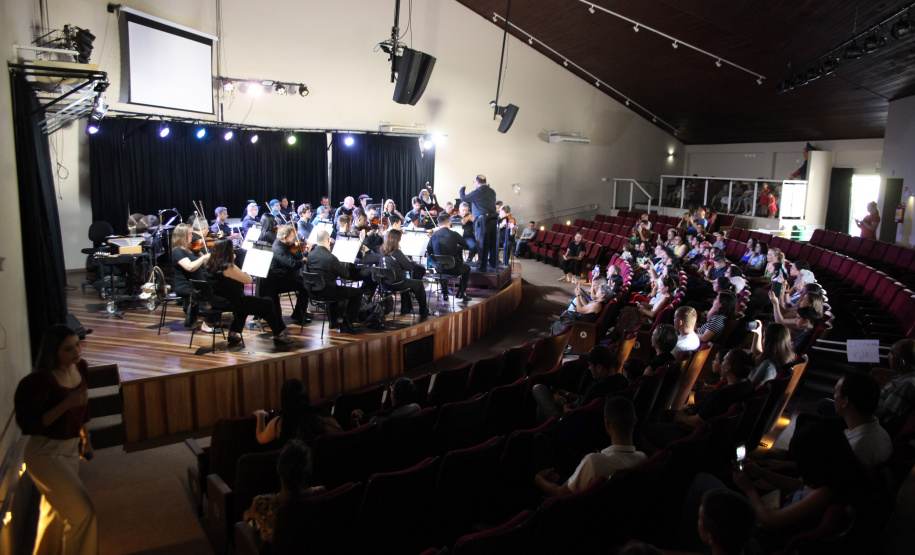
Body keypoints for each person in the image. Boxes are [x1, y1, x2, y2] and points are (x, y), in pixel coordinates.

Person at [14, 324, 98, 555]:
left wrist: (86, 439)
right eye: (68, 349)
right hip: (44, 452)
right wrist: (66, 404)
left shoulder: (80, 367)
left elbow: (82, 409)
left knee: (56, 513)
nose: (76, 351)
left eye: (77, 345)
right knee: (83, 513)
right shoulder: (40, 381)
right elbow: (31, 424)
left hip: (70, 449)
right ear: (54, 352)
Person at [641, 349, 755, 450]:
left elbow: (697, 422)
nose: (721, 363)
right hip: (716, 434)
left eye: (724, 360)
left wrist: (680, 416)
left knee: (647, 428)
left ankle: (659, 456)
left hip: (696, 436)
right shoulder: (748, 385)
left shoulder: (723, 394)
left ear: (728, 367)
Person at [534, 397, 646, 496]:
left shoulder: (593, 461)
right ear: (635, 421)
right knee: (542, 439)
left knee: (539, 440)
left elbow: (559, 493)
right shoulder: (642, 458)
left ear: (607, 424)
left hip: (573, 495)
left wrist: (539, 479)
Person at [204, 239, 293, 344]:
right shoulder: (228, 267)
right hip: (230, 302)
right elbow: (248, 280)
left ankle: (234, 333)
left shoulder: (209, 264)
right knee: (268, 303)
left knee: (246, 306)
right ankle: (279, 335)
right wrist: (239, 267)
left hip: (215, 301)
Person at [243, 439, 326, 544]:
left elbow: (249, 518)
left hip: (271, 548)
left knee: (247, 515)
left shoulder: (262, 504)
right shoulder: (320, 494)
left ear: (278, 469)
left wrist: (252, 522)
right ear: (308, 471)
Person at [531, 344, 630, 422]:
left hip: (565, 421)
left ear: (599, 367)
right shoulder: (623, 380)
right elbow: (587, 403)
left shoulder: (596, 388)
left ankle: (545, 430)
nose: (589, 368)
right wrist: (575, 397)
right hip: (588, 416)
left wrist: (563, 402)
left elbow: (572, 416)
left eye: (590, 365)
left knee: (538, 389)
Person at [306, 229, 364, 333]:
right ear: (328, 240)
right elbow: (346, 275)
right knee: (357, 292)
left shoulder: (310, 255)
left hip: (313, 292)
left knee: (332, 285)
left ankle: (333, 322)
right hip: (327, 293)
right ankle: (347, 324)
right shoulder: (330, 258)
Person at [255, 379, 342, 446]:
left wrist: (260, 415)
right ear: (305, 395)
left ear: (283, 400)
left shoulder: (279, 423)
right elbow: (340, 436)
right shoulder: (320, 414)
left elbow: (260, 438)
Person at [834, 372, 893, 468]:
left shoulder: (855, 449)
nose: (834, 396)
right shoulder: (882, 433)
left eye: (836, 392)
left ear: (845, 402)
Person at [263, 224, 312, 325]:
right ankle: (299, 314)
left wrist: (303, 253)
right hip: (278, 280)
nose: (294, 238)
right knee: (305, 286)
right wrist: (304, 260)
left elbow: (293, 258)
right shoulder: (278, 249)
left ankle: (299, 313)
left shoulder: (282, 244)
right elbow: (293, 264)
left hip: (285, 276)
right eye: (292, 236)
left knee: (305, 283)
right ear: (285, 237)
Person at [380, 229, 433, 318]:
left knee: (406, 282)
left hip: (385, 284)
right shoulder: (396, 252)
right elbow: (409, 267)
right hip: (397, 284)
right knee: (419, 284)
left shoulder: (382, 251)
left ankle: (406, 308)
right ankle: (424, 311)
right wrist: (407, 260)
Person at [171, 223, 212, 322]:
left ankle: (207, 318)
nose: (192, 236)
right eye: (189, 234)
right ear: (182, 236)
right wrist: (204, 257)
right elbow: (190, 267)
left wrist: (206, 257)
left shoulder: (192, 248)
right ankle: (206, 321)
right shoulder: (177, 251)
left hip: (197, 283)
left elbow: (205, 264)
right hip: (186, 285)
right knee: (210, 292)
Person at [427, 214, 472, 302]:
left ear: (438, 224)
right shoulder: (454, 234)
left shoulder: (433, 235)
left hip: (438, 268)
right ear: (449, 223)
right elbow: (466, 246)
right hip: (453, 268)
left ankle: (444, 294)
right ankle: (460, 293)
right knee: (467, 268)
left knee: (441, 267)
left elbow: (429, 250)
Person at [460, 174, 499, 272]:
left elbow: (463, 198)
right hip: (494, 219)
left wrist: (462, 188)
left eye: (474, 182)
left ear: (477, 182)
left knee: (482, 243)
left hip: (483, 221)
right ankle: (493, 263)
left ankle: (482, 266)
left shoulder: (478, 192)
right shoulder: (492, 191)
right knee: (493, 243)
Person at [875, 338, 915, 432]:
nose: (888, 356)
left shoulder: (907, 384)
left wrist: (854, 414)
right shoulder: (902, 376)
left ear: (902, 361)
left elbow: (884, 413)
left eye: (892, 353)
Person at [351, 377, 422, 426]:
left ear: (393, 394)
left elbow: (364, 439)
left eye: (392, 387)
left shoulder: (378, 420)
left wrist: (355, 422)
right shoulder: (416, 408)